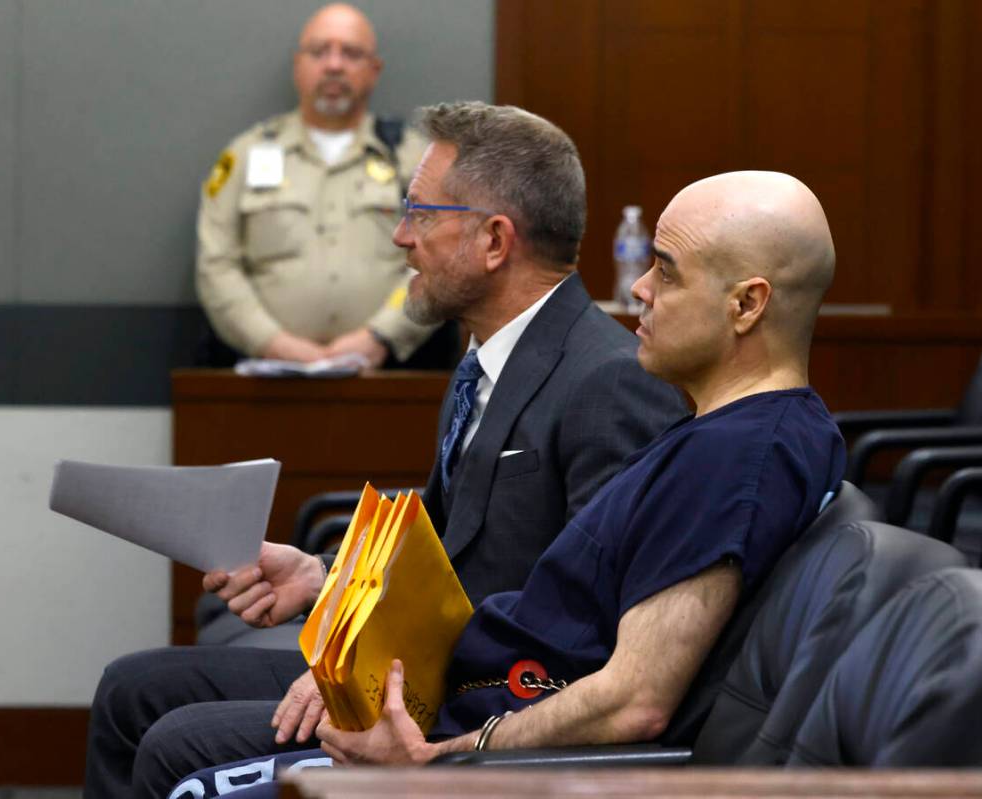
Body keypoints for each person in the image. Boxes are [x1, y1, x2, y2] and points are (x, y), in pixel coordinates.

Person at [166, 168, 848, 797]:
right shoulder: (738, 430)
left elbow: (634, 698)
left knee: (177, 762)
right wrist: (330, 580)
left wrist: (444, 760)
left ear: (746, 305)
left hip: (479, 748)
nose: (638, 287)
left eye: (665, 273)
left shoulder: (735, 458)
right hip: (468, 693)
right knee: (166, 725)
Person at [85, 102, 686, 798]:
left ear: (494, 241)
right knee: (131, 689)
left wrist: (370, 660)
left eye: (421, 215)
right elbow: (435, 554)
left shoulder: (608, 382)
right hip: (417, 670)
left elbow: (586, 625)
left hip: (470, 708)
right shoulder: (486, 360)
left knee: (171, 743)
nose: (401, 238)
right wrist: (322, 577)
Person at [196, 3, 436, 368]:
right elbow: (217, 264)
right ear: (298, 65)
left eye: (351, 53)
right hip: (263, 379)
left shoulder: (415, 160)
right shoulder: (245, 156)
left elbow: (438, 257)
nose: (334, 65)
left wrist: (381, 336)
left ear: (374, 70)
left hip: (390, 378)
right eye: (319, 51)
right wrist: (272, 343)